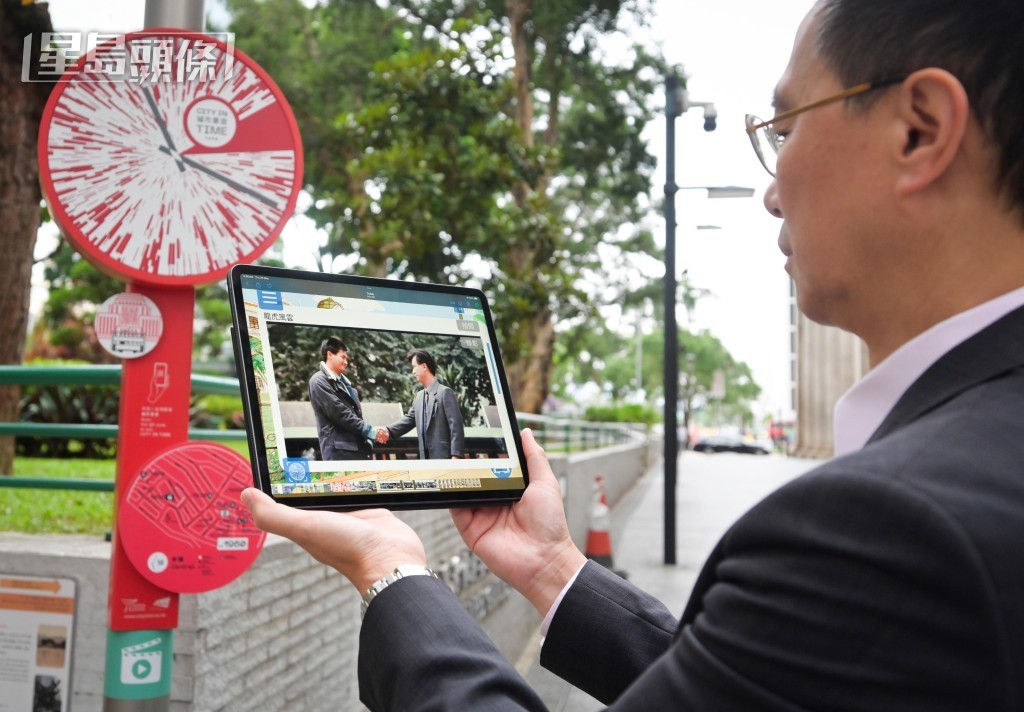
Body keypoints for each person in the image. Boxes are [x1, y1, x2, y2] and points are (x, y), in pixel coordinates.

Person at [244, 1, 1024, 708]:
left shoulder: (888, 526)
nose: (771, 191)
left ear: (918, 129)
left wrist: (392, 573)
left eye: (784, 130)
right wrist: (554, 571)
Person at [375, 349, 465, 460]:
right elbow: (409, 419)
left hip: (445, 458)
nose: (413, 371)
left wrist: (455, 456)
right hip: (425, 460)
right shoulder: (419, 397)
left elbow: (456, 426)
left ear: (424, 366)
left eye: (414, 366)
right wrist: (388, 430)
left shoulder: (445, 392)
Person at [308, 337, 377, 461]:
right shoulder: (318, 381)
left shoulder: (347, 385)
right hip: (339, 454)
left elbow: (355, 416)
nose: (346, 362)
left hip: (357, 452)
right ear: (329, 354)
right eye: (343, 357)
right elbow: (339, 412)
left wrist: (368, 440)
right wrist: (369, 431)